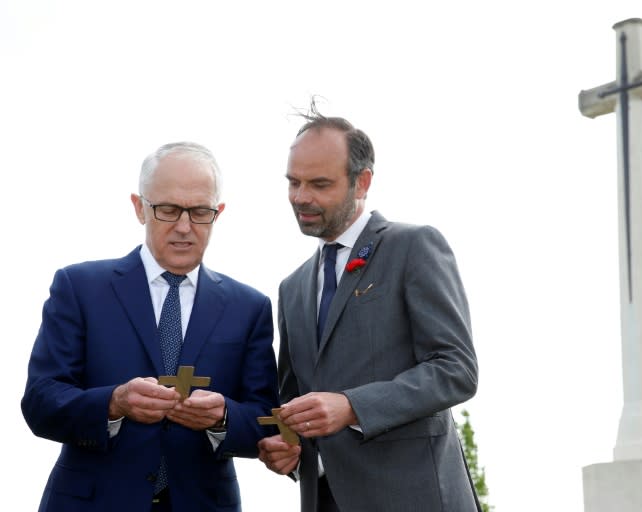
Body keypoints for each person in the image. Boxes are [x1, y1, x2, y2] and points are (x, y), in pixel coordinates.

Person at [21, 141, 280, 512]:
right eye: (169, 209)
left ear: (218, 213)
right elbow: (40, 401)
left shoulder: (250, 307)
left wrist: (224, 416)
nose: (184, 227)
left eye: (200, 211)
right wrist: (112, 403)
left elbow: (265, 421)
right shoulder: (79, 287)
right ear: (139, 207)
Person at [257, 104, 481, 512]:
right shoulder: (291, 289)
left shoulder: (413, 247)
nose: (301, 197)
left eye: (319, 184)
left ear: (362, 182)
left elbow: (457, 370)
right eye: (293, 182)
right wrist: (287, 450)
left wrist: (352, 407)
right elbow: (294, 403)